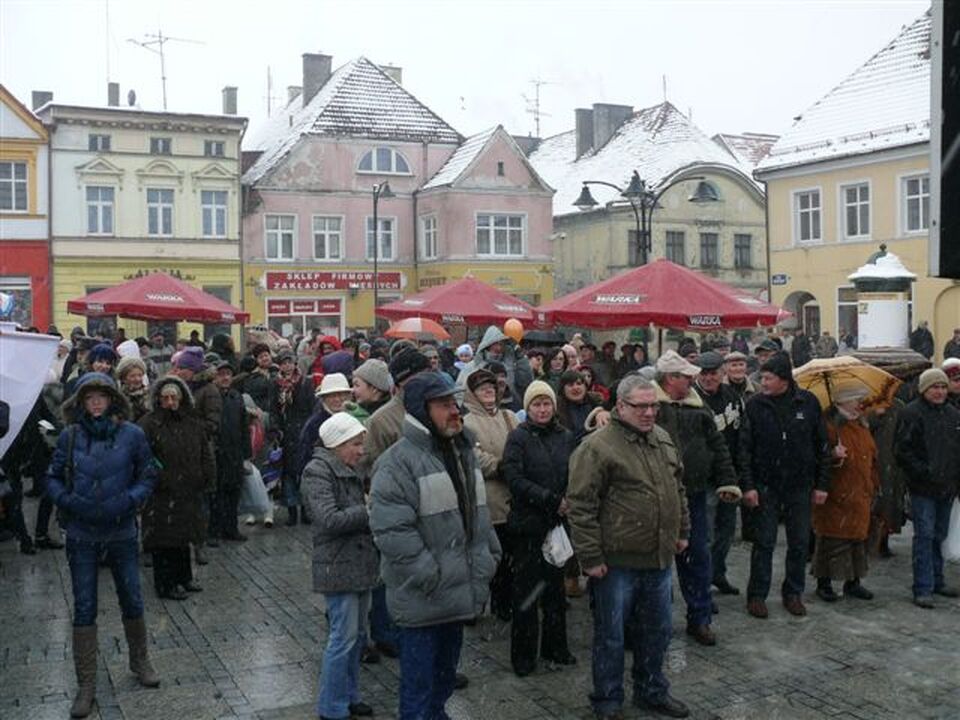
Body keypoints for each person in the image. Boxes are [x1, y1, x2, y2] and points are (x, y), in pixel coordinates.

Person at [369, 372, 501, 720]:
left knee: (443, 681)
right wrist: (430, 574)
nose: (454, 410)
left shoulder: (463, 452)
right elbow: (392, 531)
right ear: (420, 411)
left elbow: (478, 515)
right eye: (443, 405)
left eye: (454, 402)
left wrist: (488, 555)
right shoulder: (396, 463)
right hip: (424, 599)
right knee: (419, 688)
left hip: (458, 593)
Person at [567, 375, 690, 720]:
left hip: (659, 557)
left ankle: (651, 691)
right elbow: (581, 505)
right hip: (616, 562)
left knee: (657, 631)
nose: (649, 413)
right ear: (620, 406)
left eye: (654, 406)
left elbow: (677, 488)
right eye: (640, 406)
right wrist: (590, 557)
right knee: (612, 636)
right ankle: (607, 700)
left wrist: (682, 530)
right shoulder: (597, 447)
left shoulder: (661, 438)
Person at [44, 373, 159, 717]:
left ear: (112, 400)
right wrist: (69, 501)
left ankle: (140, 661)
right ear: (80, 402)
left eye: (101, 397)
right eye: (89, 397)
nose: (95, 403)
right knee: (84, 605)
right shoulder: (70, 436)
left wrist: (130, 499)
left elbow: (149, 473)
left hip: (121, 530)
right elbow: (52, 476)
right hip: (82, 533)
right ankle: (86, 684)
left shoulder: (132, 434)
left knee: (132, 596)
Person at [656, 351, 738, 646]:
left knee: (698, 558)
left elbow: (718, 446)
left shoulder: (697, 406)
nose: (693, 380)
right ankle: (657, 622)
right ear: (670, 379)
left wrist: (728, 479)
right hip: (659, 497)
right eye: (686, 376)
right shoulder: (650, 406)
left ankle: (700, 618)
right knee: (658, 562)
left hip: (694, 493)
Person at [740, 352, 830, 619]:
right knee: (764, 543)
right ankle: (757, 595)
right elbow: (744, 449)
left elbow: (822, 446)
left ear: (784, 379)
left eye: (768, 378)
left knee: (799, 543)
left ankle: (793, 593)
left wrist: (822, 484)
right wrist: (748, 485)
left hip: (800, 486)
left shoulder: (808, 403)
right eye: (762, 378)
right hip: (766, 485)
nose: (763, 383)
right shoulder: (755, 405)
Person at [357, 348, 431, 663]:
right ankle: (387, 632)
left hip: (432, 506)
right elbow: (369, 467)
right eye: (418, 376)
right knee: (391, 574)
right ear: (401, 382)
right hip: (397, 509)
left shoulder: (435, 408)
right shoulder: (382, 419)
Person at [302, 413, 378, 720]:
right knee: (342, 639)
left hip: (359, 563)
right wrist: (368, 510)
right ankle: (331, 708)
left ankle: (350, 696)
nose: (361, 451)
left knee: (357, 637)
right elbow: (328, 519)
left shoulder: (348, 468)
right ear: (337, 444)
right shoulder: (317, 471)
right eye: (355, 444)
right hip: (338, 565)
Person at [501, 380, 576, 676]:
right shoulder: (518, 437)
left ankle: (556, 647)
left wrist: (567, 498)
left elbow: (574, 471)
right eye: (536, 404)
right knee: (527, 593)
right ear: (528, 408)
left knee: (555, 591)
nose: (542, 409)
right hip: (528, 525)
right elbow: (514, 478)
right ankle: (523, 656)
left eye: (546, 404)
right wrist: (549, 499)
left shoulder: (565, 436)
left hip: (556, 523)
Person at [139, 376, 215, 600]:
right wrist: (158, 476)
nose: (170, 402)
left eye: (174, 397)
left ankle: (184, 577)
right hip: (162, 491)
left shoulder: (192, 422)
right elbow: (143, 456)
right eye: (165, 398)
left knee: (184, 537)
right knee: (164, 541)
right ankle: (166, 584)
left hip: (188, 489)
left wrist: (207, 476)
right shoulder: (149, 424)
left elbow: (204, 451)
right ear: (158, 400)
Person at [894, 368, 960, 608]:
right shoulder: (911, 413)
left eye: (942, 387)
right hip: (923, 488)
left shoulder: (953, 414)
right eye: (934, 387)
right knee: (924, 536)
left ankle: (937, 580)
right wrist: (924, 472)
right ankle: (922, 587)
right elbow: (902, 450)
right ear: (924, 389)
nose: (939, 391)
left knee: (939, 535)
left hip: (947, 487)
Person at [812, 388, 879, 602]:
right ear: (842, 402)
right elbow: (816, 458)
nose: (860, 405)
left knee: (858, 540)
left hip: (860, 492)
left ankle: (853, 582)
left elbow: (871, 458)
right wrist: (832, 455)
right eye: (856, 400)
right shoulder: (828, 427)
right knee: (831, 539)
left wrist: (873, 484)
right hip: (837, 494)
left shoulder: (861, 426)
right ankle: (824, 582)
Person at [462, 369, 519, 623]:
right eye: (482, 388)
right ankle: (477, 604)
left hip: (513, 498)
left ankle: (504, 603)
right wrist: (503, 467)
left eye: (491, 387)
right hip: (487, 500)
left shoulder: (509, 417)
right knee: (486, 558)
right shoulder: (466, 423)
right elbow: (474, 456)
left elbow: (522, 444)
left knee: (510, 557)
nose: (488, 391)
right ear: (472, 393)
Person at [692, 351, 747, 598]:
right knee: (705, 535)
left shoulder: (732, 397)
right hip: (704, 477)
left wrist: (738, 472)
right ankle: (702, 584)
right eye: (704, 373)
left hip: (729, 476)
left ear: (721, 373)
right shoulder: (692, 399)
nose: (708, 378)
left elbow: (741, 435)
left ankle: (718, 573)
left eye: (713, 373)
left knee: (726, 531)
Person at [273, 350, 316, 526]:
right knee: (288, 474)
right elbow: (274, 408)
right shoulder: (276, 384)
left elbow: (312, 407)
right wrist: (276, 429)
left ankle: (306, 510)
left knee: (304, 472)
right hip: (286, 432)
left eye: (290, 362)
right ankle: (291, 510)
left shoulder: (305, 382)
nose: (287, 366)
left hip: (303, 431)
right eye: (284, 363)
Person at [211, 360, 251, 542]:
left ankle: (231, 528)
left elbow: (244, 425)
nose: (225, 378)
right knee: (216, 493)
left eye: (228, 374)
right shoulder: (211, 397)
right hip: (217, 452)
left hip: (235, 452)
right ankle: (214, 530)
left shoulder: (236, 397)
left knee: (233, 492)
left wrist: (246, 452)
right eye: (221, 374)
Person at [117, 355, 151, 422]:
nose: (137, 379)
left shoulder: (150, 394)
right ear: (124, 379)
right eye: (132, 376)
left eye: (140, 375)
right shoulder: (119, 398)